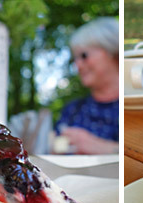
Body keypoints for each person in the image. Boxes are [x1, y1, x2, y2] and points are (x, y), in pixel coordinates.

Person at [54, 17, 119, 154]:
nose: (77, 65)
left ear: (111, 52)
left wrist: (102, 147)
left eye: (84, 56)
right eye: (74, 59)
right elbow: (55, 150)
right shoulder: (72, 110)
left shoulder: (129, 105)